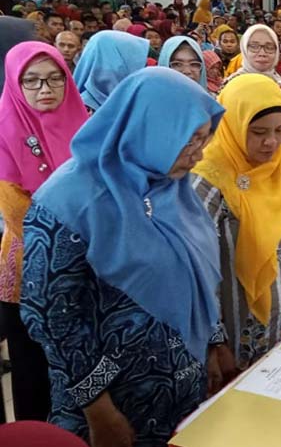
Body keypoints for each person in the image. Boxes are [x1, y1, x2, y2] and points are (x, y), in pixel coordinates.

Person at [20, 67, 225, 446]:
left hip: (182, 390)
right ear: (152, 128)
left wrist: (212, 344)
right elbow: (50, 316)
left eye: (204, 140)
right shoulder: (67, 201)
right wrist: (98, 409)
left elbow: (197, 273)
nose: (198, 156)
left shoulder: (172, 187)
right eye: (190, 140)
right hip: (112, 408)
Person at [192, 74, 281, 371]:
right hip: (241, 331)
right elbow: (200, 269)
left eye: (280, 130)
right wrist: (215, 342)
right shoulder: (208, 181)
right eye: (258, 132)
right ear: (233, 126)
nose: (271, 142)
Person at [0, 41, 88, 423]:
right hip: (28, 276)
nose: (45, 90)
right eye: (32, 81)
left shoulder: (85, 126)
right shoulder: (4, 131)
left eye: (54, 79)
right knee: (34, 372)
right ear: (16, 85)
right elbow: (20, 213)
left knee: (81, 369)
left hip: (88, 271)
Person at [73, 30, 149, 114]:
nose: (145, 69)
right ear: (118, 64)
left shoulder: (131, 101)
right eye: (139, 65)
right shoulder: (85, 112)